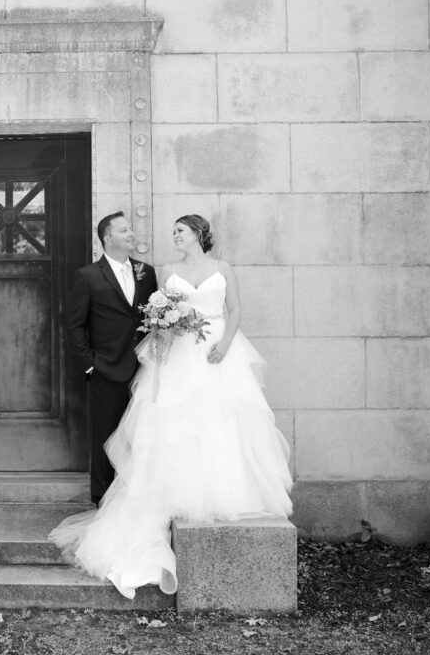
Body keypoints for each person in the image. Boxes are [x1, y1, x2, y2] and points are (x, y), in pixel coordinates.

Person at [51, 214, 293, 599]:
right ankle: (121, 500)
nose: (173, 236)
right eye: (172, 232)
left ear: (198, 234)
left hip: (218, 351)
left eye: (179, 231)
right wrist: (165, 329)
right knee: (166, 423)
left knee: (223, 418)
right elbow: (152, 317)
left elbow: (235, 309)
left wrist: (226, 343)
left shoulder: (214, 268)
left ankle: (221, 490)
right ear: (106, 238)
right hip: (175, 355)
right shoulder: (159, 272)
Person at [67, 211, 158, 507]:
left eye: (130, 229)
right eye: (124, 230)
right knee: (106, 437)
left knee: (141, 434)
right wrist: (90, 365)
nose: (131, 234)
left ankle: (137, 497)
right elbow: (75, 326)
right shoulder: (88, 276)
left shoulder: (147, 272)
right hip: (105, 368)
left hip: (143, 368)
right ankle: (103, 501)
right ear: (107, 238)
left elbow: (151, 318)